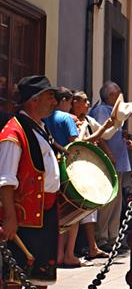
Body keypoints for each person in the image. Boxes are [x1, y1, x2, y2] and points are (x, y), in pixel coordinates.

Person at [0, 75, 62, 289]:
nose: (54, 101)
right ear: (34, 99)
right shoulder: (13, 133)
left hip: (44, 213)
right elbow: (5, 179)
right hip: (24, 216)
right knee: (15, 275)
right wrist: (9, 217)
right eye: (50, 96)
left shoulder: (39, 128)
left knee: (41, 273)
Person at [71, 91, 120, 260]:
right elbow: (80, 142)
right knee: (77, 208)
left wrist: (115, 122)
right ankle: (73, 250)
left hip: (88, 166)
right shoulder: (71, 120)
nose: (88, 104)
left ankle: (91, 246)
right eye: (85, 101)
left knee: (89, 208)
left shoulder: (88, 120)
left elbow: (105, 135)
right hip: (75, 166)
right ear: (74, 102)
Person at [90, 81, 132, 252]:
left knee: (117, 200)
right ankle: (101, 237)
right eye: (118, 93)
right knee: (108, 200)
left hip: (118, 161)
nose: (121, 95)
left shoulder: (115, 112)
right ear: (110, 96)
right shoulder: (102, 110)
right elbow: (100, 135)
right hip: (108, 161)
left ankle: (113, 237)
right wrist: (108, 153)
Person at [44, 88, 81, 267]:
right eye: (71, 101)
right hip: (66, 168)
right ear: (64, 100)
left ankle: (57, 253)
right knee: (73, 210)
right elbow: (75, 145)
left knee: (55, 211)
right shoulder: (66, 118)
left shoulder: (44, 118)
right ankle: (69, 253)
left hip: (48, 167)